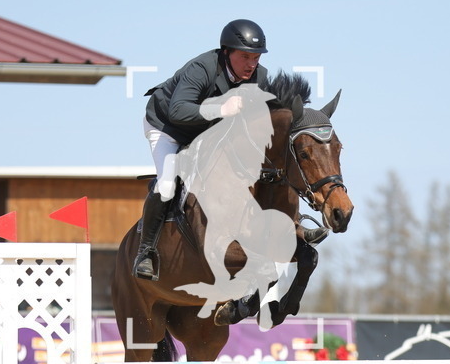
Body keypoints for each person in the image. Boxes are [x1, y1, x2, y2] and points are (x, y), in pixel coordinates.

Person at [133, 19, 326, 280]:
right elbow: (178, 110)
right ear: (227, 52)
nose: (252, 64)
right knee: (167, 185)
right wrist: (220, 109)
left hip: (208, 130)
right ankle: (146, 253)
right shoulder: (202, 68)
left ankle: (294, 225)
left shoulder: (259, 77)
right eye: (245, 56)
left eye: (256, 57)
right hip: (168, 127)